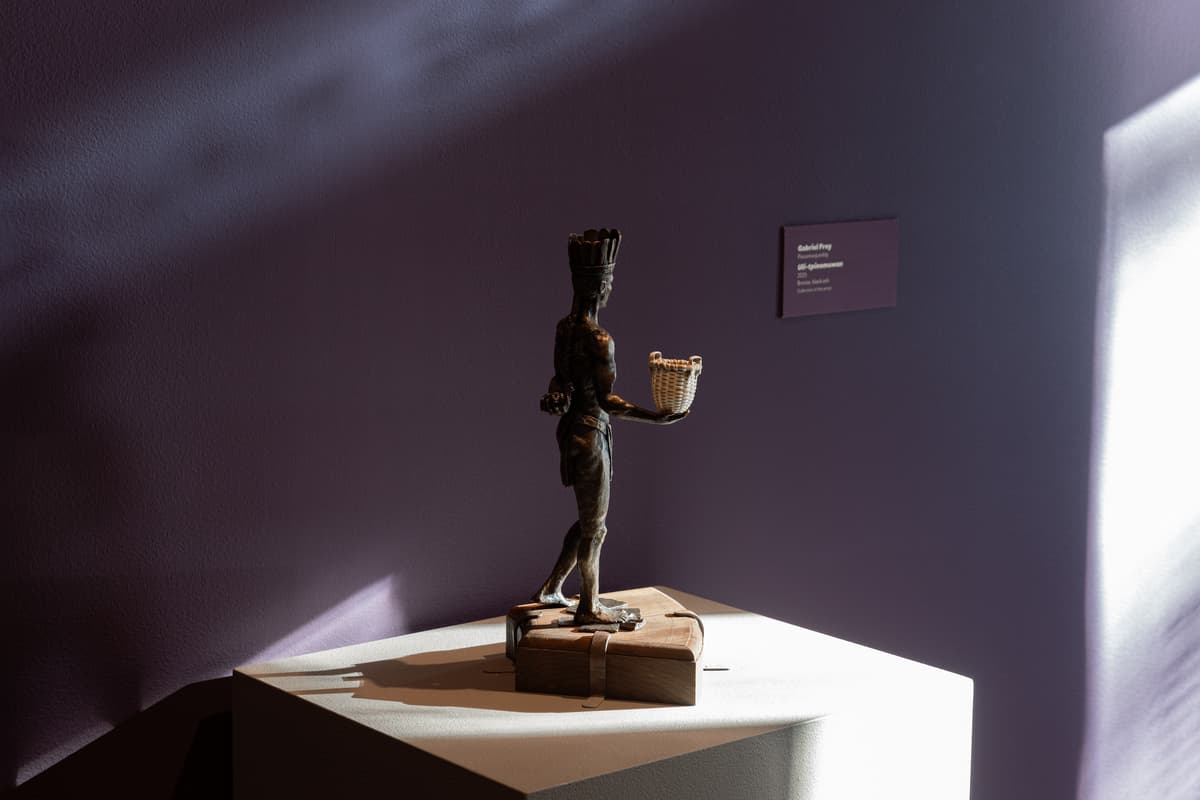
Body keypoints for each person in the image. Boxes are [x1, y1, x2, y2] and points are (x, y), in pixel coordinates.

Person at [534, 229, 687, 626]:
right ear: (601, 286)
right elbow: (607, 401)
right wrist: (655, 416)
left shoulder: (564, 329)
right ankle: (589, 606)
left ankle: (552, 587)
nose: (611, 289)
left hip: (571, 432)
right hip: (590, 436)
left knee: (587, 520)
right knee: (595, 529)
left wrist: (559, 396)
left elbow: (558, 379)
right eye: (611, 282)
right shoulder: (600, 339)